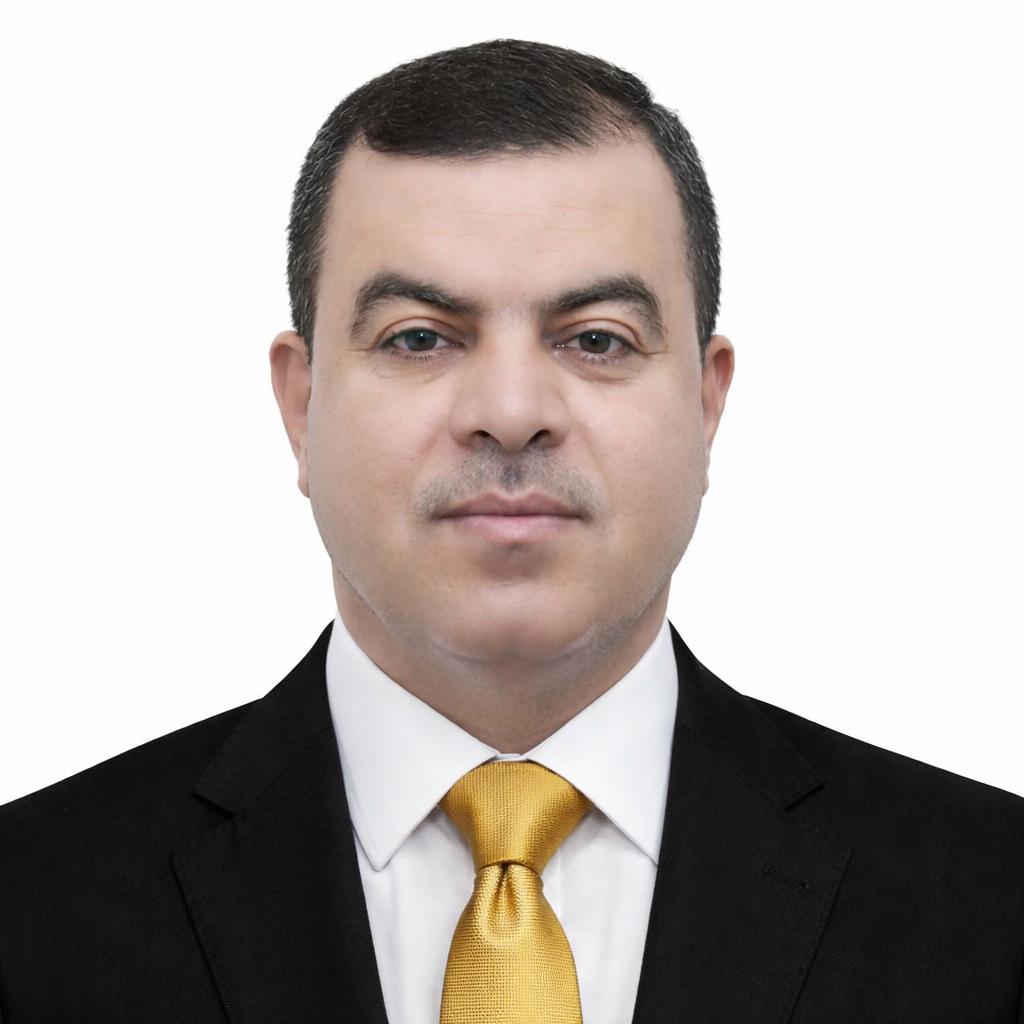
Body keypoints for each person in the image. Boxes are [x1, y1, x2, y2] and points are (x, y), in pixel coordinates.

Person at [0, 36, 1021, 1023]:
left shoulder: (990, 904)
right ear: (301, 406)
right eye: (418, 337)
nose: (511, 409)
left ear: (706, 404)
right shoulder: (32, 909)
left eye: (596, 339)